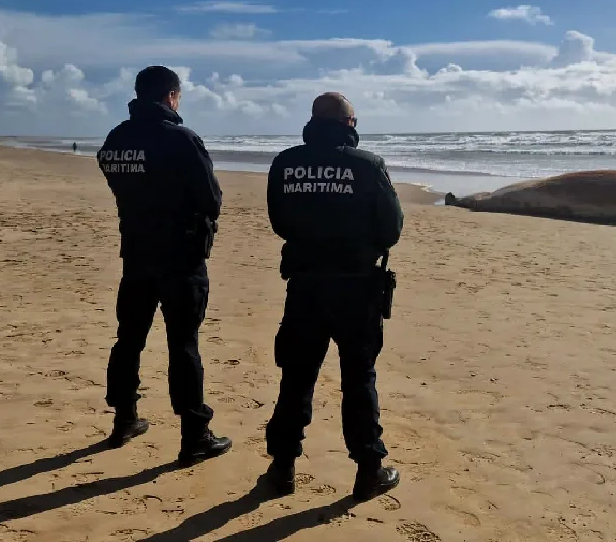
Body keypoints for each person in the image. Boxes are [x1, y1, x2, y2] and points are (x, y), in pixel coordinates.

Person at [263, 91, 404, 500]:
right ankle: (368, 469)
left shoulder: (286, 163)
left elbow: (279, 221)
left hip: (305, 284)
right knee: (358, 379)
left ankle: (282, 467)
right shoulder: (368, 166)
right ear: (349, 124)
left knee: (297, 375)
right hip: (356, 287)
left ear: (312, 121)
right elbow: (391, 228)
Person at [95, 65, 232, 466]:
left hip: (136, 252)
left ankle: (124, 418)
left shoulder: (117, 138)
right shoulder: (182, 139)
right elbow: (212, 200)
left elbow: (115, 176)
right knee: (182, 344)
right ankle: (195, 434)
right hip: (180, 256)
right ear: (172, 96)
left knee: (130, 338)